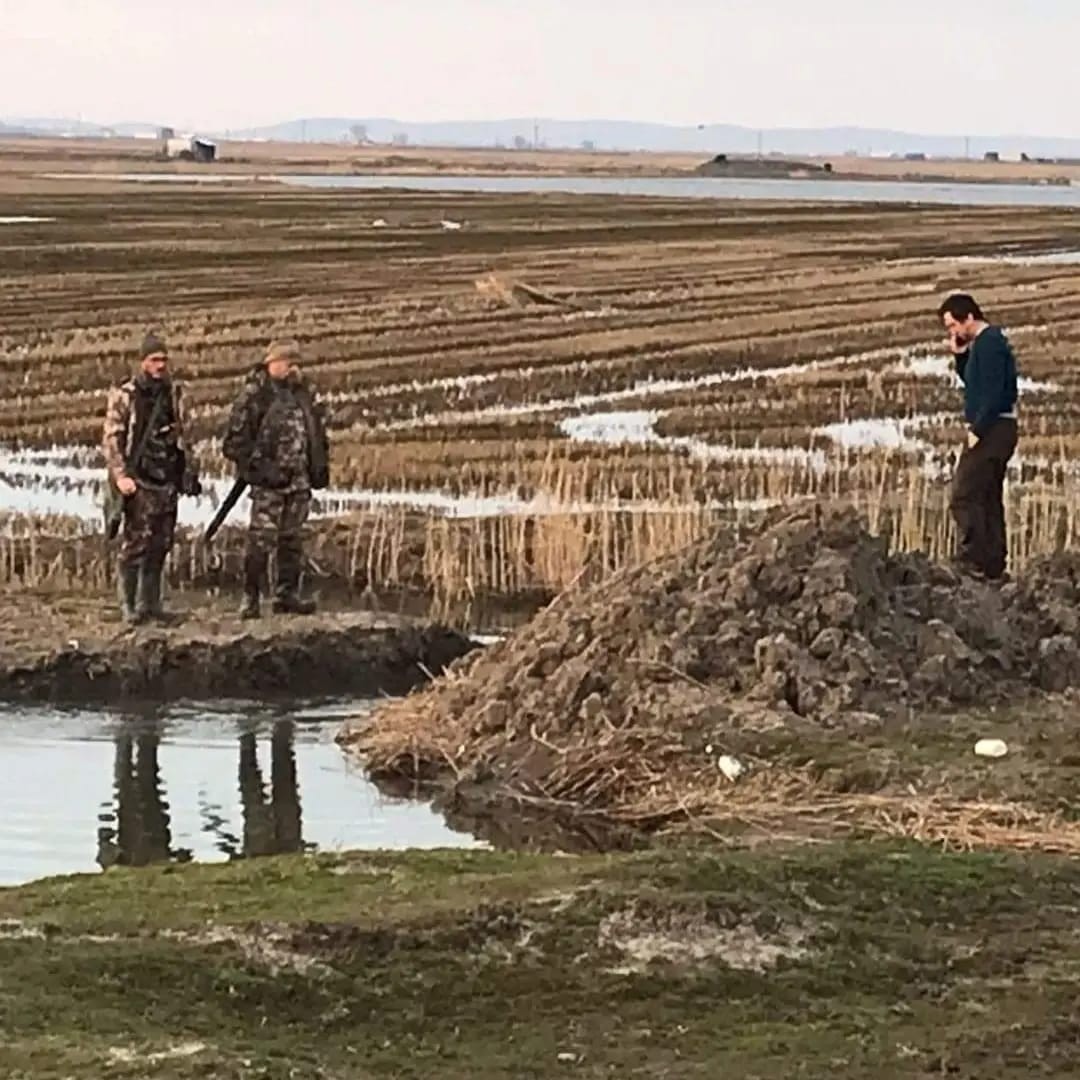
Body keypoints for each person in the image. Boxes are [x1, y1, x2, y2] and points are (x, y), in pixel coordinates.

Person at [222, 339, 330, 619]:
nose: (293, 368)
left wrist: (318, 468)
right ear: (271, 363)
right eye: (287, 362)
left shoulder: (304, 393)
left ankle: (287, 595)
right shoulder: (255, 396)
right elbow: (234, 444)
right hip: (268, 485)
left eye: (296, 363)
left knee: (292, 540)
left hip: (299, 482)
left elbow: (316, 433)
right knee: (260, 541)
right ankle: (251, 598)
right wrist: (261, 472)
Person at [102, 332, 200, 624]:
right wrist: (120, 477)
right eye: (154, 359)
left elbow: (187, 435)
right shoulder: (126, 395)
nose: (160, 365)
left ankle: (151, 605)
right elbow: (111, 439)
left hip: (166, 479)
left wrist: (189, 472)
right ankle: (128, 606)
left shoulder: (175, 394)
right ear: (143, 362)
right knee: (135, 545)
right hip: (139, 480)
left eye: (163, 359)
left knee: (161, 543)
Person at [938, 293, 1019, 580]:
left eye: (953, 326)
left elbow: (996, 393)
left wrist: (978, 430)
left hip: (994, 429)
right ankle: (994, 565)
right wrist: (961, 357)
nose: (953, 332)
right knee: (987, 496)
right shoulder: (983, 345)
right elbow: (977, 385)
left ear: (969, 318)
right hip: (998, 428)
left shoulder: (991, 344)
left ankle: (973, 560)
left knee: (964, 494)